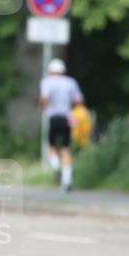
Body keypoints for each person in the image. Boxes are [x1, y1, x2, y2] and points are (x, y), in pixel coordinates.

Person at [40, 58, 83, 192]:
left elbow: (45, 98)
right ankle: (67, 181)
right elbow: (79, 100)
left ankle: (56, 166)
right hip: (67, 118)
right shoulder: (71, 82)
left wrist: (42, 107)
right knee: (66, 148)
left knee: (52, 146)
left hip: (54, 117)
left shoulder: (47, 81)